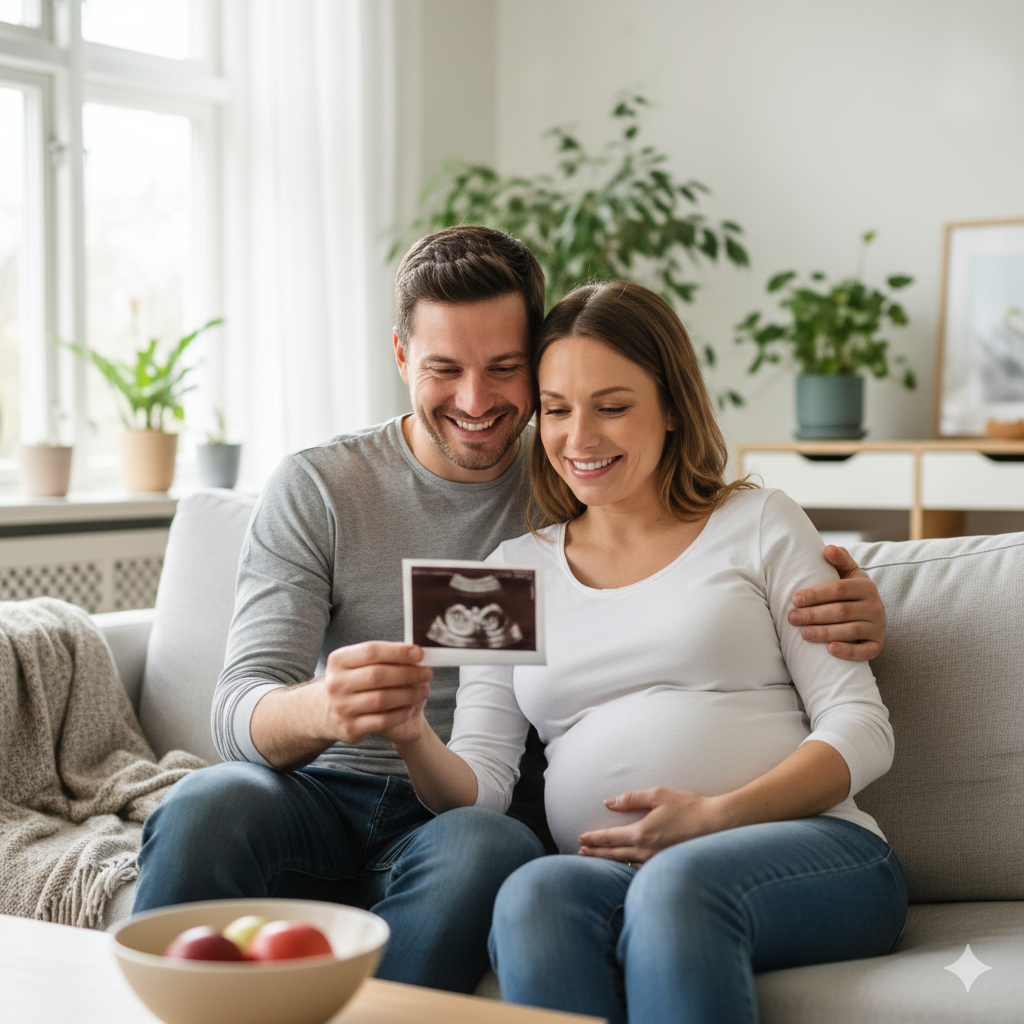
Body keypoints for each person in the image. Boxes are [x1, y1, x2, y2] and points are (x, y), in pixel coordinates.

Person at [133, 227, 889, 995]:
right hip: (328, 790)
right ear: (401, 358)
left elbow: (716, 589)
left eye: (504, 369)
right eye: (443, 369)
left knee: (484, 849)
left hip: (472, 829)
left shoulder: (587, 482)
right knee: (206, 803)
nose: (474, 401)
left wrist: (870, 601)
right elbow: (237, 709)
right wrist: (328, 709)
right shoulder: (353, 499)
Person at [379, 279, 907, 1022]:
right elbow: (485, 789)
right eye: (557, 410)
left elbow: (862, 728)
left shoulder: (760, 520)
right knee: (531, 893)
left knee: (677, 885)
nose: (580, 438)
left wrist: (717, 816)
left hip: (813, 850)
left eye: (613, 407)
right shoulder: (503, 572)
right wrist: (409, 736)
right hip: (612, 873)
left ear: (670, 408)